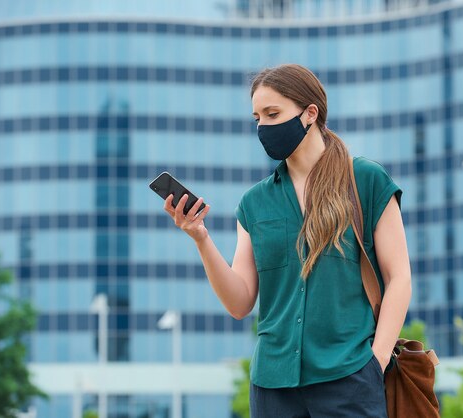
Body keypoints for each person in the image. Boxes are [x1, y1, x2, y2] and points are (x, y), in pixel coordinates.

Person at [163, 63, 412, 417]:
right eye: (257, 118)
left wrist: (377, 361)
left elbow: (399, 277)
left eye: (273, 113)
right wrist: (200, 238)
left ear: (310, 113)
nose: (263, 126)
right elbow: (239, 303)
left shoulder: (366, 181)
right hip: (272, 388)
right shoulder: (254, 203)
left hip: (350, 377)